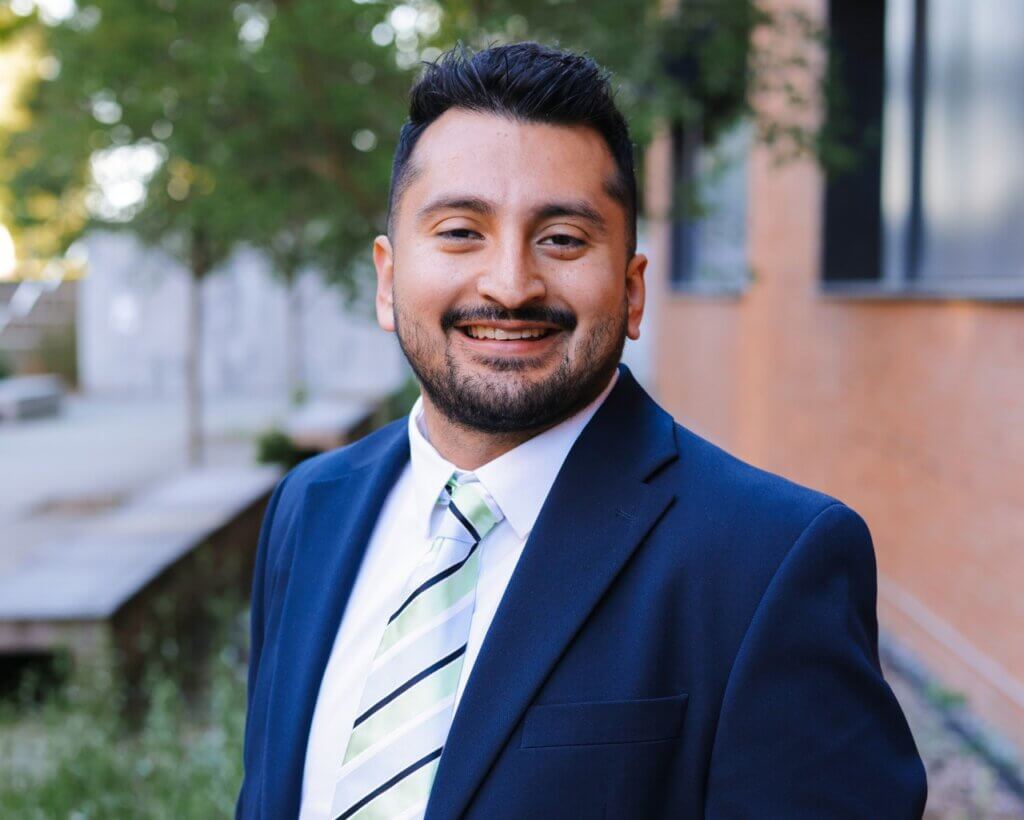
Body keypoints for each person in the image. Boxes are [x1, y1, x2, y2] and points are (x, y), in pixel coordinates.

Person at [236, 41, 927, 820]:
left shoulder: (770, 562)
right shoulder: (308, 508)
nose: (509, 284)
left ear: (632, 292)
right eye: (461, 230)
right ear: (389, 279)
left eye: (562, 238)